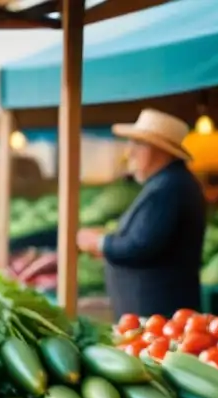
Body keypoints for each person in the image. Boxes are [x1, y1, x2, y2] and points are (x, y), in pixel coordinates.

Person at [77, 109, 205, 318]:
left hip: (159, 315)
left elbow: (141, 246)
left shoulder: (170, 187)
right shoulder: (167, 183)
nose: (130, 152)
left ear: (160, 150)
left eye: (138, 144)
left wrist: (99, 242)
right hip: (153, 314)